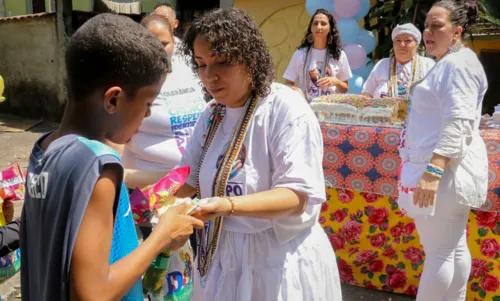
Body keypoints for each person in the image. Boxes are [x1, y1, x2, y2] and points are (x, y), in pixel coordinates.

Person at [19, 13, 204, 301]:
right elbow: (93, 293)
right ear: (113, 99)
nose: (148, 114)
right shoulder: (99, 165)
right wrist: (161, 237)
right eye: (147, 103)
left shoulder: (45, 149)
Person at [176, 8, 342, 301]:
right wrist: (153, 204)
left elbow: (296, 196)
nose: (209, 76)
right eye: (201, 64)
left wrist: (227, 205)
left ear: (251, 60)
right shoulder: (212, 114)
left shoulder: (285, 109)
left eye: (222, 63)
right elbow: (188, 180)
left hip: (276, 263)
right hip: (221, 257)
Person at [398, 1, 488, 300]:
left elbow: (458, 122)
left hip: (442, 172)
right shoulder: (453, 62)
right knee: (451, 247)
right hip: (444, 170)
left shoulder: (458, 65)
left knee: (439, 252)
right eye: (427, 26)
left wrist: (433, 171)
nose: (428, 32)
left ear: (457, 31)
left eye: (437, 26)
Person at [121, 14, 207, 189]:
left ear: (174, 42)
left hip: (191, 184)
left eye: (164, 44)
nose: (158, 50)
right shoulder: (129, 83)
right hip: (146, 189)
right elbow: (115, 145)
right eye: (150, 43)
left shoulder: (190, 73)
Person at [284, 8, 352, 102]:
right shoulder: (300, 53)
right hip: (305, 109)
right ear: (311, 28)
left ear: (330, 28)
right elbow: (288, 83)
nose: (319, 27)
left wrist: (336, 81)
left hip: (330, 110)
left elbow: (345, 88)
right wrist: (297, 91)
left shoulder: (339, 54)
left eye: (323, 24)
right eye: (315, 23)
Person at [362, 23, 435, 99]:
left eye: (407, 40)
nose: (402, 45)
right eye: (398, 40)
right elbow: (367, 93)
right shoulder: (382, 64)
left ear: (417, 45)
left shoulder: (428, 65)